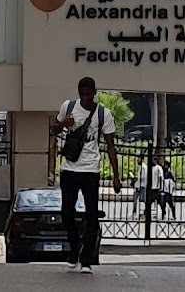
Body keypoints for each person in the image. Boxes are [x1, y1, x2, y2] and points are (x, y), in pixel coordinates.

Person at [54, 76, 121, 275]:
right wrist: (64, 123)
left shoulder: (103, 113)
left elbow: (110, 145)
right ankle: (74, 249)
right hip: (69, 168)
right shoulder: (68, 106)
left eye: (88, 94)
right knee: (67, 213)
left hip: (91, 170)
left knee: (91, 215)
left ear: (94, 93)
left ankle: (86, 259)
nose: (85, 98)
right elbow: (54, 130)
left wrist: (116, 176)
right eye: (82, 94)